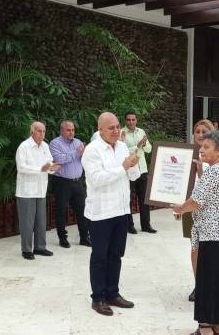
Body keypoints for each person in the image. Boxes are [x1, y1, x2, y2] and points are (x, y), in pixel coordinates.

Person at [172, 130, 219, 335]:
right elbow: (210, 199)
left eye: (206, 147)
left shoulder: (213, 172)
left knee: (208, 280)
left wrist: (180, 209)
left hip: (212, 235)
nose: (201, 150)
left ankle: (205, 328)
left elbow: (197, 201)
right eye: (201, 146)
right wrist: (185, 209)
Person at [82, 112, 140, 316]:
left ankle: (113, 293)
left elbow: (132, 175)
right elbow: (97, 179)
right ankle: (98, 298)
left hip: (121, 210)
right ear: (100, 130)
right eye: (111, 128)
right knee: (99, 257)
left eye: (117, 127)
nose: (116, 131)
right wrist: (123, 167)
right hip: (100, 213)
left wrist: (134, 165)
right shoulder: (92, 150)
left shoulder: (123, 146)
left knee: (116, 255)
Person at [15, 121, 60, 260]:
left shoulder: (45, 146)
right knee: (27, 223)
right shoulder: (24, 146)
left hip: (41, 189)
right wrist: (40, 169)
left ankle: (40, 247)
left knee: (41, 221)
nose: (42, 134)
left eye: (44, 131)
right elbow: (21, 167)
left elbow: (49, 162)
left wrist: (53, 167)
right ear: (32, 131)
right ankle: (26, 250)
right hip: (26, 191)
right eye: (39, 131)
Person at [183, 119, 214, 302]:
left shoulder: (217, 157)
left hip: (210, 213)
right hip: (191, 209)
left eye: (204, 132)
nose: (201, 135)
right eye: (197, 132)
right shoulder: (187, 155)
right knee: (195, 249)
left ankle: (211, 286)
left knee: (208, 250)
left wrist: (202, 172)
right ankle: (199, 285)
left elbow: (213, 190)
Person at [49, 120, 90, 248]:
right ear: (62, 131)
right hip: (62, 182)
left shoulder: (78, 143)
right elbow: (59, 159)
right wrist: (76, 153)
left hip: (78, 181)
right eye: (68, 130)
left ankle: (84, 237)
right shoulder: (55, 143)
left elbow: (84, 159)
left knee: (82, 210)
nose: (71, 132)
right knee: (61, 210)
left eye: (73, 130)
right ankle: (63, 238)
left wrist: (85, 153)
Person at [122, 111, 156, 234]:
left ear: (136, 120)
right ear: (125, 121)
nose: (131, 122)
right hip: (129, 171)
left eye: (133, 119)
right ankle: (129, 226)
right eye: (129, 120)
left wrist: (144, 144)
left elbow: (149, 149)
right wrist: (137, 146)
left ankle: (146, 225)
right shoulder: (122, 133)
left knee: (144, 200)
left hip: (142, 170)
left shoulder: (141, 131)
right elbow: (122, 151)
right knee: (129, 199)